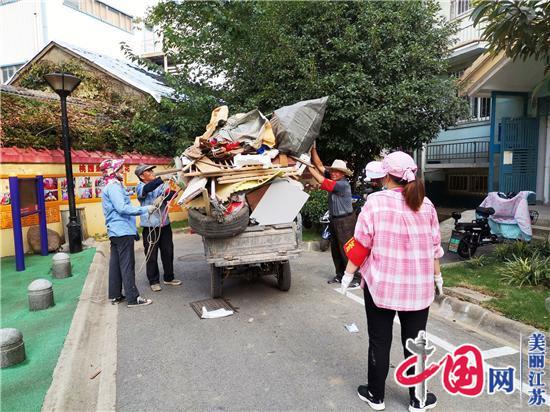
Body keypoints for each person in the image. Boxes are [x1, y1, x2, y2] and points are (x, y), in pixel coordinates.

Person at [340, 151, 444, 412]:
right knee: (416, 341)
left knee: (379, 340)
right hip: (419, 290)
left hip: (381, 287)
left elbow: (362, 245)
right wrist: (438, 276)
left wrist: (348, 274)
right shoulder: (427, 204)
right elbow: (434, 248)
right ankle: (418, 399)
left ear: (386, 176)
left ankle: (375, 396)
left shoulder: (374, 203)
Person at [100, 159, 154, 308]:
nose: (123, 171)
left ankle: (116, 294)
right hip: (122, 230)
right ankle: (133, 298)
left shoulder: (111, 187)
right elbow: (122, 208)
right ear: (112, 171)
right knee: (127, 264)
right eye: (119, 169)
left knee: (116, 264)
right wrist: (145, 209)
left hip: (115, 231)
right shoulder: (114, 187)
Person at [309, 146, 359, 287]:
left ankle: (355, 277)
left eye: (337, 172)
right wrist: (313, 150)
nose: (334, 173)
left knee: (347, 249)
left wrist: (306, 166)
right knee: (336, 250)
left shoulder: (342, 185)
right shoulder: (333, 178)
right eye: (333, 171)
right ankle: (340, 275)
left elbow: (320, 180)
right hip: (335, 220)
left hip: (346, 221)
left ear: (343, 174)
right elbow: (319, 165)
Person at [135, 164, 182, 292]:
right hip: (150, 227)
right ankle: (153, 281)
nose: (151, 172)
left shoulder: (161, 184)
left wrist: (164, 196)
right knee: (151, 255)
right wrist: (161, 179)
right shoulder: (139, 187)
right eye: (148, 171)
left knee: (168, 251)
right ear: (141, 176)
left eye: (152, 170)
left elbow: (171, 193)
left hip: (164, 224)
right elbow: (147, 189)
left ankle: (169, 277)